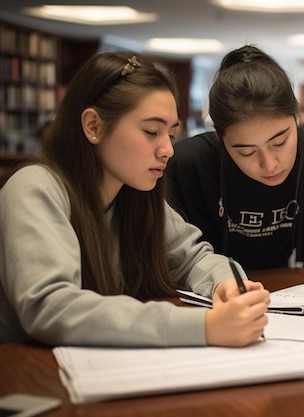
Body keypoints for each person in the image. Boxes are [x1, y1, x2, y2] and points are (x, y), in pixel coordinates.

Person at [0, 52, 269, 347]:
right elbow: (50, 306)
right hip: (26, 373)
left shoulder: (134, 192)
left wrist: (225, 283)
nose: (167, 149)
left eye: (170, 135)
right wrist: (203, 326)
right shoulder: (34, 188)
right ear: (93, 126)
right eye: (151, 132)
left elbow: (194, 257)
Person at [167, 45, 304, 270]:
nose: (269, 164)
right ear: (219, 140)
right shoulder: (188, 166)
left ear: (296, 118)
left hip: (296, 290)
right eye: (247, 152)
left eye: (279, 143)